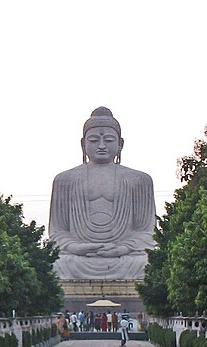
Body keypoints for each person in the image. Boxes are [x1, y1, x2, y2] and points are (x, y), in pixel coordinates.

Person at [48, 107, 157, 280]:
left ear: (120, 144)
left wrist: (123, 248)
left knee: (148, 264)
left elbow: (147, 231)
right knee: (54, 264)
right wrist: (76, 248)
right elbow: (58, 232)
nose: (101, 146)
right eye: (93, 140)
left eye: (108, 140)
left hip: (125, 258)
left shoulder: (140, 180)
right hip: (77, 259)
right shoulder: (64, 180)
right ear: (82, 144)